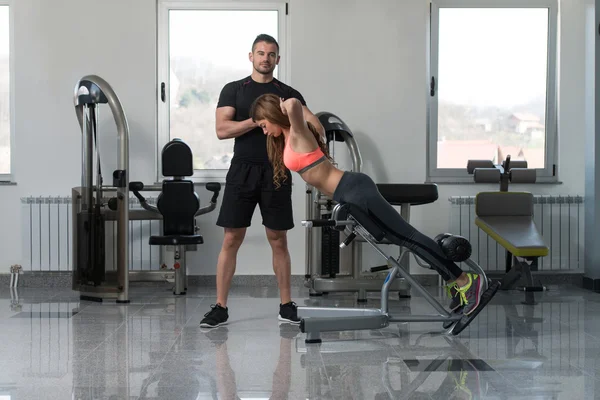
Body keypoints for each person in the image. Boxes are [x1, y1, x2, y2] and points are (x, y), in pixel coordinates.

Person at [249, 93, 498, 318]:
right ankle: (456, 281)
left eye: (263, 124)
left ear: (272, 115)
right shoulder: (297, 132)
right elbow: (302, 109)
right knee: (403, 239)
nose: (264, 131)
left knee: (409, 237)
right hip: (350, 192)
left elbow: (294, 104)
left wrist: (284, 106)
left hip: (354, 189)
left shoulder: (298, 133)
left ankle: (466, 281)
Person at [200, 34, 325, 329]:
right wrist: (258, 119)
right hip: (242, 170)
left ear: (277, 60)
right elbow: (221, 129)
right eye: (260, 53)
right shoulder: (234, 90)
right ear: (251, 56)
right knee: (231, 239)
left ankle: (285, 305)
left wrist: (286, 121)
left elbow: (314, 123)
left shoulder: (287, 92)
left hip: (277, 170)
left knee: (278, 239)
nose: (265, 58)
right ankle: (220, 307)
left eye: (271, 54)